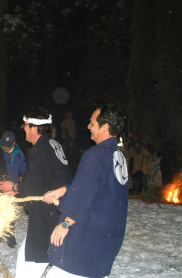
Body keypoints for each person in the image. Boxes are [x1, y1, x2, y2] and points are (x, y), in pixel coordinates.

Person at [43, 103, 128, 278]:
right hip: (108, 238)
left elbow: (83, 197)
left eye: (92, 123)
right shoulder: (117, 155)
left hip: (86, 242)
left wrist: (65, 224)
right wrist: (64, 190)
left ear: (105, 127)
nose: (88, 127)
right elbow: (101, 188)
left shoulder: (95, 155)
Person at [0, 108, 72, 278]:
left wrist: (14, 187)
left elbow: (32, 187)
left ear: (34, 128)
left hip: (47, 217)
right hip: (59, 213)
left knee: (29, 265)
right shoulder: (54, 144)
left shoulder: (38, 150)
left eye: (26, 125)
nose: (23, 128)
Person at [0, 130, 28, 247]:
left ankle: (11, 238)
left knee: (10, 214)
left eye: (8, 146)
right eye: (4, 146)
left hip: (12, 189)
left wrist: (22, 177)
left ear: (14, 142)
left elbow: (23, 168)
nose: (5, 148)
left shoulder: (19, 153)